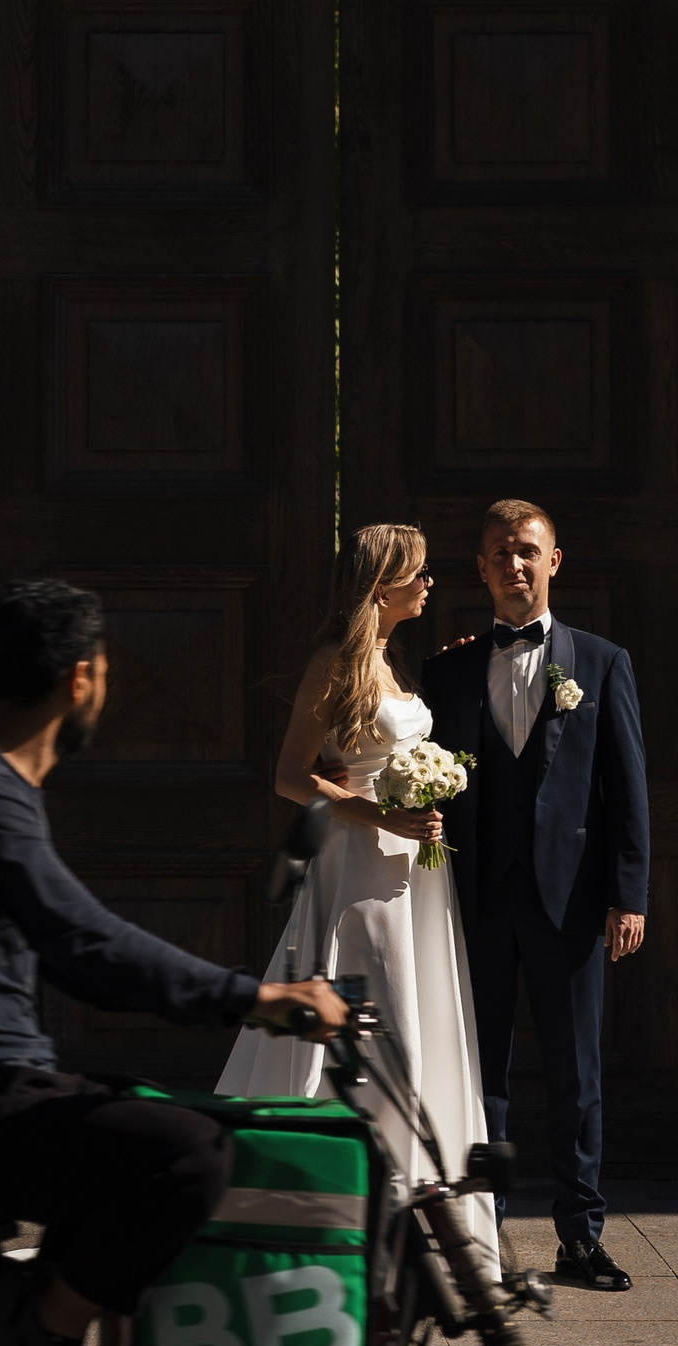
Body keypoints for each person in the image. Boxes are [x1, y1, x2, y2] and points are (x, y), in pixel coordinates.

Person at [0, 578, 345, 1346]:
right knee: (188, 1156)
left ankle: (35, 1322)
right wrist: (258, 997)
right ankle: (45, 1330)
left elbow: (75, 951)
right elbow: (85, 941)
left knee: (159, 1120)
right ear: (82, 678)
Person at [215, 524, 499, 1280]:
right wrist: (384, 814)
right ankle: (340, 1218)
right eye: (418, 574)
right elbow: (289, 775)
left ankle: (411, 1224)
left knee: (417, 1020)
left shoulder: (392, 661)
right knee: (380, 1026)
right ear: (383, 585)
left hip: (414, 872)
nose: (430, 584)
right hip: (359, 869)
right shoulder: (337, 661)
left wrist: (422, 805)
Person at [418, 500, 649, 1292]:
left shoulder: (604, 663)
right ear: (479, 570)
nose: (514, 566)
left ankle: (581, 1238)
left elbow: (627, 791)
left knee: (577, 1078)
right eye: (498, 554)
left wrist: (630, 895)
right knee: (477, 1075)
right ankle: (481, 1240)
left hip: (574, 906)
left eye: (527, 552)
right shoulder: (445, 671)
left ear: (555, 561)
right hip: (475, 901)